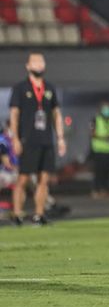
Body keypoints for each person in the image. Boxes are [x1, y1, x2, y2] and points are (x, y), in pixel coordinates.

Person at [9, 52, 67, 226]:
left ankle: (38, 214)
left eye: (41, 61)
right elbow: (14, 114)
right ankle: (17, 214)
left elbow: (56, 114)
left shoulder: (49, 88)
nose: (39, 65)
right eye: (35, 62)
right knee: (23, 178)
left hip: (46, 139)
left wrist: (60, 138)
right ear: (28, 66)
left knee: (44, 179)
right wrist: (15, 139)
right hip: (28, 139)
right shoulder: (20, 88)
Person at [90, 100, 109, 199]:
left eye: (108, 108)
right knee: (99, 171)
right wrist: (105, 137)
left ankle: (106, 190)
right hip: (98, 150)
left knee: (108, 172)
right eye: (105, 108)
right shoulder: (95, 119)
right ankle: (96, 190)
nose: (107, 110)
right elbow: (92, 134)